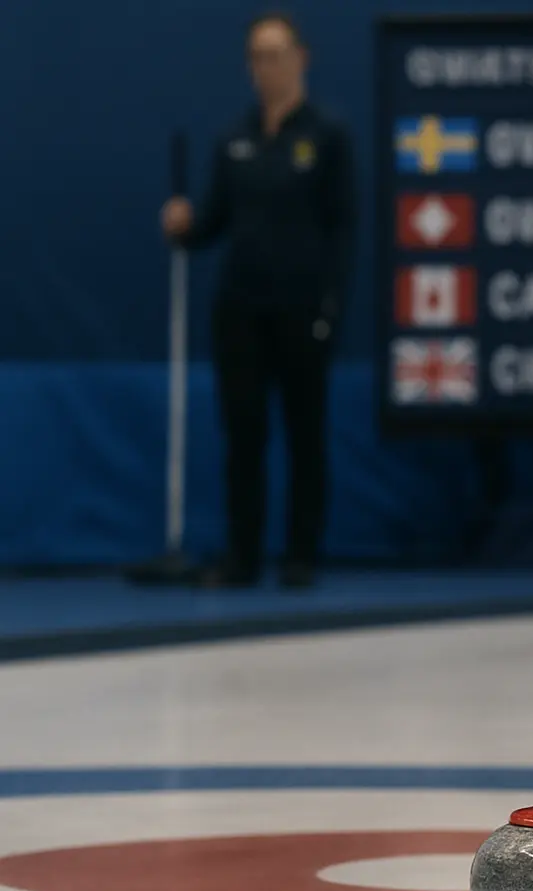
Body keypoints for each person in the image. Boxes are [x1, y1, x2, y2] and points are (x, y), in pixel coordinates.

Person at [161, 11, 356, 589]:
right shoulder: (236, 138)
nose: (266, 67)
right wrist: (184, 226)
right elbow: (213, 221)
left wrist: (331, 307)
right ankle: (242, 556)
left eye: (276, 54)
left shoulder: (327, 136)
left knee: (304, 436)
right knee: (243, 437)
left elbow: (343, 230)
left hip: (301, 311)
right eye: (257, 57)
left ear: (301, 58)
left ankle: (300, 554)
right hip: (240, 312)